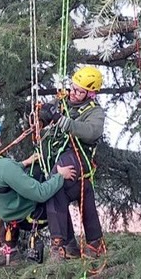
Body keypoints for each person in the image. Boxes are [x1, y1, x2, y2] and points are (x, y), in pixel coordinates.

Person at [0, 115, 76, 269]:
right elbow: (40, 193)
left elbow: (1, 177)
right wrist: (59, 176)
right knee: (55, 191)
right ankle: (64, 246)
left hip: (8, 214)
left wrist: (24, 163)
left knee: (35, 170)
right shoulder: (3, 166)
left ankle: (9, 248)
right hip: (27, 216)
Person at [39, 66, 106, 261]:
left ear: (90, 94)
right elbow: (46, 115)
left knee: (56, 179)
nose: (74, 93)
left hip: (79, 157)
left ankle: (89, 243)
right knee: (55, 190)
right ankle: (65, 243)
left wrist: (63, 121)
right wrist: (43, 115)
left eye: (79, 91)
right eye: (73, 88)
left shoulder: (95, 113)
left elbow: (91, 132)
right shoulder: (63, 101)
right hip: (61, 156)